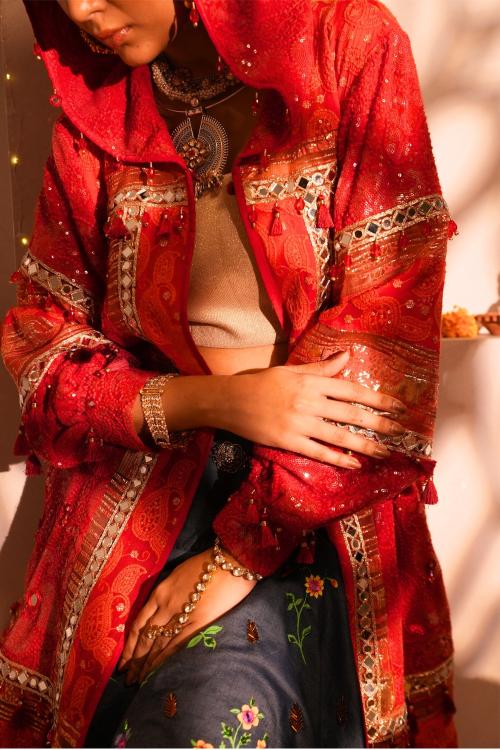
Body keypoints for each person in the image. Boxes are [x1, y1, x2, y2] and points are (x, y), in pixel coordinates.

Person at [0, 0, 458, 747]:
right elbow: (44, 349)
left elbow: (390, 333)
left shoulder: (344, 45)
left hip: (311, 496)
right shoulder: (96, 108)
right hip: (133, 499)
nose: (81, 9)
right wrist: (219, 401)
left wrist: (238, 555)